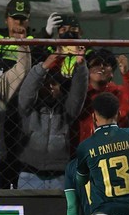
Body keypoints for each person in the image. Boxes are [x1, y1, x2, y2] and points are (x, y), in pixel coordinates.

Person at [16, 51, 88, 189]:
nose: (49, 87)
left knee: (59, 211)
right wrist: (43, 67)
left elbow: (78, 94)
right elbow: (27, 91)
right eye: (46, 83)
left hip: (59, 175)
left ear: (60, 87)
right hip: (29, 174)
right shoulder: (28, 109)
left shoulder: (66, 111)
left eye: (54, 83)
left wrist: (81, 67)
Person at [75, 47, 129, 146]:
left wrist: (126, 74)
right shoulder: (80, 93)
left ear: (112, 73)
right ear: (88, 69)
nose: (101, 67)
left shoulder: (118, 92)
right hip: (81, 149)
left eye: (106, 64)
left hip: (113, 147)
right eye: (96, 63)